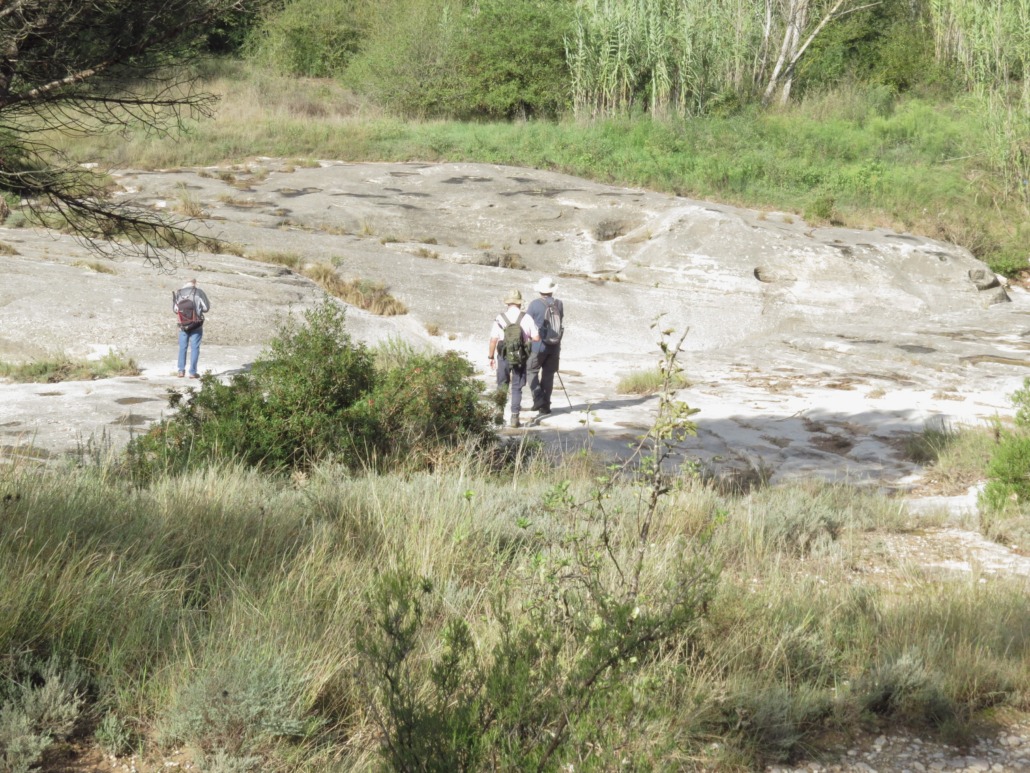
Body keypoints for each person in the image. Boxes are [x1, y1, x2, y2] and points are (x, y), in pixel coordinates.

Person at [488, 289, 540, 428]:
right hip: (520, 357)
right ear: (519, 303)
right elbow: (536, 338)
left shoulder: (500, 318)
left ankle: (499, 416)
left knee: (502, 385)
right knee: (517, 387)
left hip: (503, 356)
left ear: (508, 303)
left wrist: (491, 356)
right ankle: (514, 418)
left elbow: (493, 339)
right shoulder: (526, 317)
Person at [526, 276, 564, 415]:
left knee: (531, 370)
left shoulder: (534, 304)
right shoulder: (559, 304)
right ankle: (546, 406)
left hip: (538, 345)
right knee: (548, 375)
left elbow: (527, 323)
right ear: (552, 290)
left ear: (540, 290)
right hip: (555, 346)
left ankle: (538, 398)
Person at [172, 278, 210, 378]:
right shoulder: (199, 292)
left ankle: (181, 371)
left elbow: (175, 310)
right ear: (195, 283)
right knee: (195, 348)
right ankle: (192, 372)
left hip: (183, 325)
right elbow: (206, 308)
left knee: (182, 347)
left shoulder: (179, 293)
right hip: (196, 324)